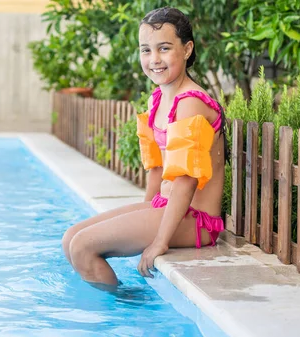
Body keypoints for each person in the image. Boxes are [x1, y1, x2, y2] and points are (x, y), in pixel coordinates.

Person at [62, 7, 228, 287]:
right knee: (71, 239)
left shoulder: (190, 103)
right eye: (146, 50)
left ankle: (119, 315)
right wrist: (142, 214)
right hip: (165, 206)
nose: (154, 60)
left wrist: (159, 241)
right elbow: (157, 169)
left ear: (187, 49)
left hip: (196, 221)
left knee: (82, 248)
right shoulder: (157, 100)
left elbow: (186, 180)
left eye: (164, 48)